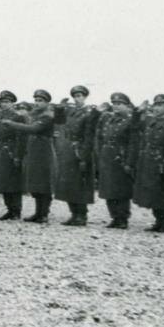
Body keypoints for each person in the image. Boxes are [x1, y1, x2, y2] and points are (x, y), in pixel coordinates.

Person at [0, 89, 56, 223]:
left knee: (44, 184)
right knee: (36, 183)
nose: (36, 103)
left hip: (44, 151)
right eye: (35, 100)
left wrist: (12, 123)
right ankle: (38, 213)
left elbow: (33, 129)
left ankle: (43, 214)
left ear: (47, 102)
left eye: (40, 100)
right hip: (34, 151)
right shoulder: (36, 114)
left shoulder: (48, 115)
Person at [133, 94, 164, 232]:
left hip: (162, 162)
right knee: (152, 193)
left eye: (160, 105)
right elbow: (134, 126)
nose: (157, 108)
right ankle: (158, 221)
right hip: (148, 162)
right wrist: (138, 111)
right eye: (156, 105)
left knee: (163, 193)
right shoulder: (150, 122)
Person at [53, 85, 99, 226]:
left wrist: (84, 156)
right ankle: (73, 214)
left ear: (85, 97)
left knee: (80, 184)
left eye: (80, 96)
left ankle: (81, 215)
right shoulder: (71, 111)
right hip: (69, 150)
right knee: (69, 183)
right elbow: (59, 122)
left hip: (80, 150)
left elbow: (89, 136)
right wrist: (59, 108)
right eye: (75, 96)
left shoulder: (90, 112)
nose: (77, 99)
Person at [93, 92, 138, 229]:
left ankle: (123, 218)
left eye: (119, 104)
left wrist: (129, 162)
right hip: (107, 157)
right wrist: (100, 153)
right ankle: (114, 216)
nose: (116, 107)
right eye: (114, 104)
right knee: (108, 189)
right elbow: (100, 136)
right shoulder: (107, 119)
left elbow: (133, 143)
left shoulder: (130, 121)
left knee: (121, 190)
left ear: (127, 105)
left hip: (121, 158)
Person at [0, 90, 25, 220]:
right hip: (1, 150)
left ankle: (16, 210)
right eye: (3, 102)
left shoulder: (17, 116)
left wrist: (17, 155)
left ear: (12, 103)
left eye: (7, 102)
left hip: (11, 150)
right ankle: (9, 209)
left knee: (13, 182)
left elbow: (20, 138)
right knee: (4, 180)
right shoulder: (0, 115)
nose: (4, 104)